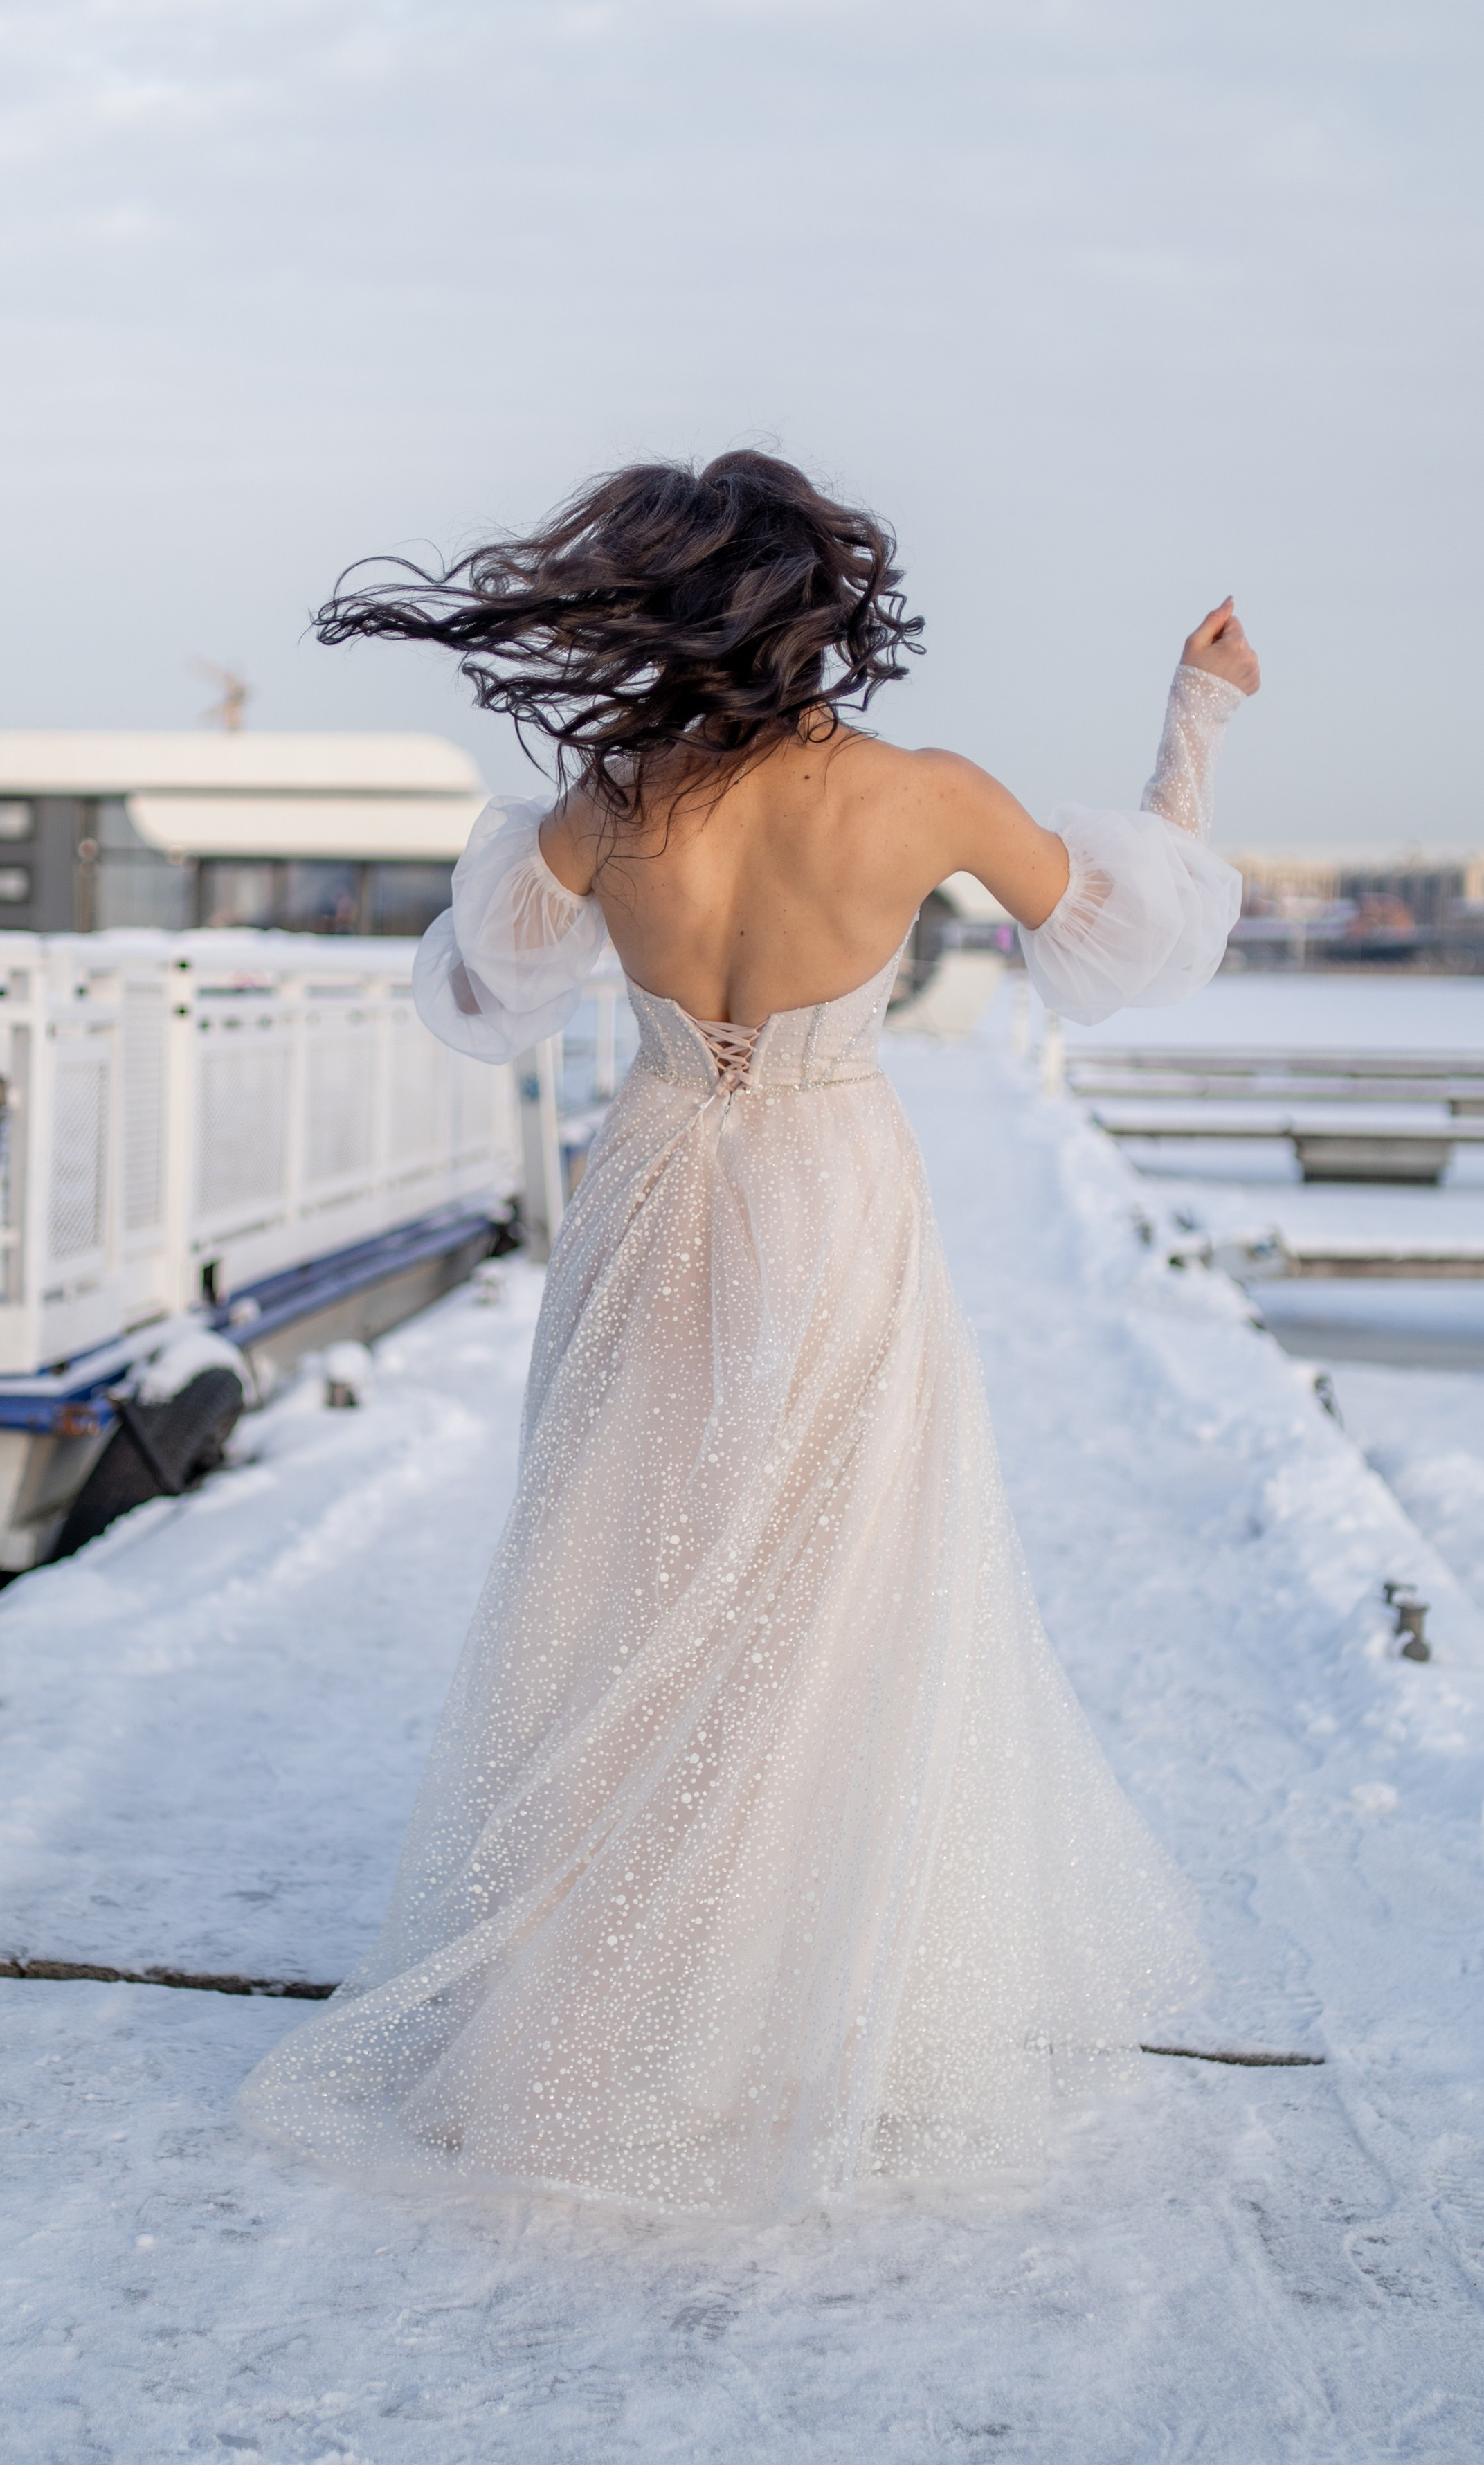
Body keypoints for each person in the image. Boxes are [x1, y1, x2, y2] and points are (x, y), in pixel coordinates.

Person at [240, 451, 1258, 2217]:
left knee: (617, 1586)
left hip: (648, 1192)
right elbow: (1129, 936)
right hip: (828, 1198)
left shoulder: (616, 798)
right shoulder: (916, 796)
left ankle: (586, 2015)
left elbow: (483, 990)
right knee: (824, 1603)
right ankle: (776, 2015)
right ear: (824, 610)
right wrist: (1195, 723)